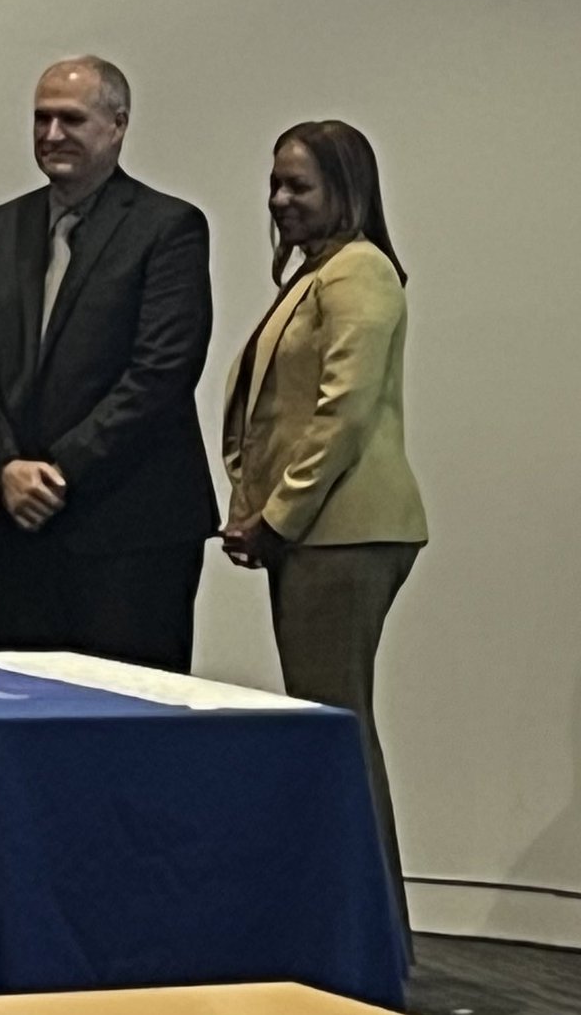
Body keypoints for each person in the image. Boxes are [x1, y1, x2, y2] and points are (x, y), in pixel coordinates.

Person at [221, 120, 427, 947]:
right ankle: (352, 923)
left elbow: (340, 415)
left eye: (298, 186)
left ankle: (364, 933)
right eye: (275, 184)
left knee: (337, 728)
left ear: (348, 189)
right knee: (333, 723)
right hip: (320, 534)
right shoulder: (320, 274)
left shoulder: (359, 274)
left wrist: (277, 516)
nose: (280, 200)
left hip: (344, 534)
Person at [0, 56, 218, 673]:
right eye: (41, 119)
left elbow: (160, 374)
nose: (51, 135)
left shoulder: (168, 227)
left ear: (117, 125)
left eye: (71, 119)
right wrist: (6, 468)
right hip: (17, 531)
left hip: (130, 531)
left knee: (126, 735)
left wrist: (56, 472)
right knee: (22, 723)